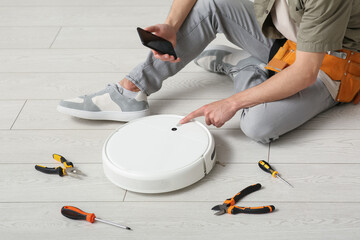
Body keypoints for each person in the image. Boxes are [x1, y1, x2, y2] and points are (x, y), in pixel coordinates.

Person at [57, 0, 360, 143]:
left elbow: (306, 72)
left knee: (257, 126)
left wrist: (231, 103)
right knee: (211, 5)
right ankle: (130, 91)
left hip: (331, 59)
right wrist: (172, 26)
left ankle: (246, 67)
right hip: (285, 34)